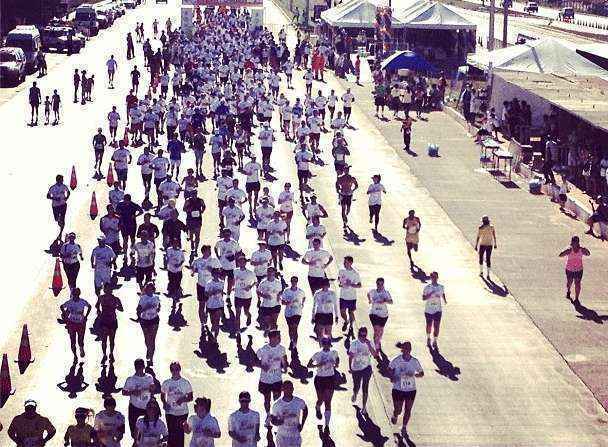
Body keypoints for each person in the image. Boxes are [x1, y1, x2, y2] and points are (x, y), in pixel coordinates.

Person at [389, 341, 424, 437]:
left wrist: (415, 375)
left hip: (410, 389)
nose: (406, 351)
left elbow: (421, 373)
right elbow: (389, 369)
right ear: (402, 350)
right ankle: (395, 415)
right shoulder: (397, 360)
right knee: (398, 409)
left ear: (410, 350)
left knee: (408, 409)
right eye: (404, 349)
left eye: (408, 349)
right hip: (398, 389)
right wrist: (392, 377)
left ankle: (404, 427)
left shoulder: (414, 361)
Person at [307, 337, 339, 432]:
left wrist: (336, 364)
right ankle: (317, 408)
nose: (326, 345)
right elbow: (308, 365)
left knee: (328, 402)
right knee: (320, 400)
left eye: (327, 343)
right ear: (322, 344)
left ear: (330, 344)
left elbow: (337, 359)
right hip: (320, 379)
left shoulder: (334, 352)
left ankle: (327, 426)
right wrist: (318, 365)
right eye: (324, 343)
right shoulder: (317, 354)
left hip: (330, 378)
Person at [256, 330, 288, 420]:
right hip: (265, 379)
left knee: (277, 398)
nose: (280, 339)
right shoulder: (263, 349)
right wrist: (262, 366)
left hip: (277, 378)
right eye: (278, 337)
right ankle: (268, 414)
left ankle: (276, 414)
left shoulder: (281, 348)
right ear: (272, 338)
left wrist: (285, 368)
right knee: (267, 399)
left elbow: (284, 358)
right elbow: (254, 358)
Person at [161, 362, 193, 447]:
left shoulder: (185, 383)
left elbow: (190, 397)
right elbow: (162, 395)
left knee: (180, 434)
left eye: (176, 369)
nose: (174, 371)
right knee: (171, 434)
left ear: (180, 369)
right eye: (172, 369)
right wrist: (164, 403)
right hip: (170, 412)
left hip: (182, 412)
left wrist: (183, 400)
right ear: (170, 370)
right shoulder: (166, 383)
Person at [123, 359, 156, 440]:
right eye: (138, 367)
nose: (139, 369)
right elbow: (124, 392)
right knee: (135, 433)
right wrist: (132, 392)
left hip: (147, 409)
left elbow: (152, 390)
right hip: (134, 408)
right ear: (135, 368)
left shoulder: (149, 377)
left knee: (147, 432)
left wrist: (153, 390)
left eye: (141, 367)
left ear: (144, 367)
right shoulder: (130, 379)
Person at [348, 326, 378, 412]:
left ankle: (364, 407)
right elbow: (350, 357)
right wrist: (350, 368)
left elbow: (375, 355)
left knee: (365, 387)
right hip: (356, 369)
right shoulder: (354, 343)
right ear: (358, 335)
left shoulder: (370, 343)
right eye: (361, 335)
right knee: (356, 386)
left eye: (364, 335)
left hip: (366, 368)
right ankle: (355, 394)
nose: (363, 337)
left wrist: (369, 345)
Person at [270, 381, 308, 447]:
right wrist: (278, 422)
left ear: (293, 389)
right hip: (282, 437)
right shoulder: (276, 405)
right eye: (286, 388)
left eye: (290, 388)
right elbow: (273, 420)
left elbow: (305, 409)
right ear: (282, 389)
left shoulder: (298, 401)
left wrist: (302, 423)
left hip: (295, 436)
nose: (288, 390)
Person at [59, 288, 92, 359]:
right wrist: (65, 315)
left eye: (76, 294)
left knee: (80, 339)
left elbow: (89, 306)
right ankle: (75, 355)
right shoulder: (70, 302)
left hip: (81, 323)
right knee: (72, 341)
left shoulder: (82, 302)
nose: (75, 296)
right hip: (72, 323)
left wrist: (86, 316)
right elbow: (61, 306)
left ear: (79, 294)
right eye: (74, 294)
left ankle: (81, 348)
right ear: (73, 295)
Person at [95, 283, 123, 362]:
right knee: (104, 340)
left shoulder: (116, 299)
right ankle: (104, 355)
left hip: (112, 320)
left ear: (112, 290)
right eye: (106, 289)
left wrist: (115, 306)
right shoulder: (101, 298)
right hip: (103, 321)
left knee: (112, 340)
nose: (108, 290)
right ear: (104, 289)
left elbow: (121, 309)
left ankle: (111, 353)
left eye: (110, 289)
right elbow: (97, 305)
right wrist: (98, 311)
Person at [558, 236, 590, 303]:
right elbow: (560, 255)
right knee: (569, 282)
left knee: (577, 283)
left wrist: (586, 250)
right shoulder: (569, 250)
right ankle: (568, 291)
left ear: (578, 243)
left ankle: (576, 298)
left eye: (575, 242)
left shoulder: (581, 250)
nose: (574, 244)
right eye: (573, 243)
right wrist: (565, 251)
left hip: (579, 269)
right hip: (569, 269)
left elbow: (588, 254)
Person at [137, 282, 161, 364]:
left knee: (152, 339)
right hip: (144, 320)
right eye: (148, 288)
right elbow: (138, 310)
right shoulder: (143, 298)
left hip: (154, 319)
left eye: (151, 288)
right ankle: (148, 349)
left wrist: (157, 310)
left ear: (153, 289)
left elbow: (159, 307)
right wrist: (146, 308)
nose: (149, 290)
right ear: (146, 289)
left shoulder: (157, 297)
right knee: (147, 338)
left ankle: (151, 358)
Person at [422, 272, 447, 349]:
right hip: (429, 310)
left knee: (436, 326)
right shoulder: (427, 287)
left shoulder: (441, 287)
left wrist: (445, 300)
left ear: (437, 277)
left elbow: (443, 294)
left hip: (438, 310)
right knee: (429, 325)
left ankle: (435, 341)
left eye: (435, 277)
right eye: (432, 277)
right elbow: (423, 298)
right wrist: (430, 294)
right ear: (431, 278)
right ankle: (428, 338)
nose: (434, 278)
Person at [280, 276, 305, 350]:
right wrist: (287, 303)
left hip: (297, 312)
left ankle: (295, 345)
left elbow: (304, 297)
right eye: (293, 281)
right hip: (288, 312)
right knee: (290, 328)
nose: (294, 283)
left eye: (295, 281)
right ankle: (291, 340)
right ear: (291, 282)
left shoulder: (301, 291)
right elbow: (282, 302)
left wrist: (302, 304)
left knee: (295, 327)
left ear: (297, 282)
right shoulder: (286, 291)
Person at [368, 277, 393, 351]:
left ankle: (378, 340)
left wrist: (385, 301)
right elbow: (368, 294)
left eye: (381, 284)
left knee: (380, 331)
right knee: (376, 330)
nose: (380, 285)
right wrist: (370, 300)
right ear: (376, 284)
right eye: (378, 284)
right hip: (374, 313)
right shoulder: (373, 291)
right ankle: (376, 347)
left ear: (383, 284)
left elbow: (391, 302)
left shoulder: (386, 293)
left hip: (383, 315)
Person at [338, 256, 362, 333]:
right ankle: (346, 321)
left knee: (351, 312)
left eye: (346, 262)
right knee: (342, 312)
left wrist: (351, 284)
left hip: (352, 297)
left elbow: (359, 285)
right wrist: (341, 284)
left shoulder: (355, 273)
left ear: (351, 263)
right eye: (344, 262)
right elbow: (339, 280)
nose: (344, 263)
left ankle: (351, 326)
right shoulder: (341, 271)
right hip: (343, 296)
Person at [258, 267, 283, 334]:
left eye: (272, 271)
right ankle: (268, 328)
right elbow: (258, 292)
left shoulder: (278, 282)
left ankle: (274, 338)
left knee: (274, 322)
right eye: (269, 271)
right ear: (267, 272)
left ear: (274, 273)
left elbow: (280, 292)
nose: (270, 273)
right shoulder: (263, 282)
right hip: (265, 306)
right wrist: (264, 296)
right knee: (269, 322)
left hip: (276, 305)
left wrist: (279, 296)